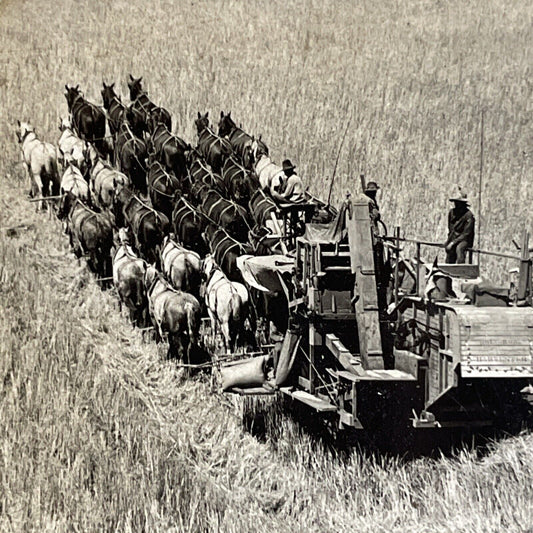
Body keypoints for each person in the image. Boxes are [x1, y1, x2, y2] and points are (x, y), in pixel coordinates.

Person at [444, 188, 475, 263]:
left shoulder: (468, 215)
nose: (456, 205)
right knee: (450, 251)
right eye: (455, 203)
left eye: (459, 203)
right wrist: (449, 241)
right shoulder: (452, 213)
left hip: (464, 240)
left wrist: (453, 242)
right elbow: (451, 229)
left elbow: (466, 234)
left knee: (459, 248)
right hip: (454, 237)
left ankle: (460, 271)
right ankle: (447, 270)